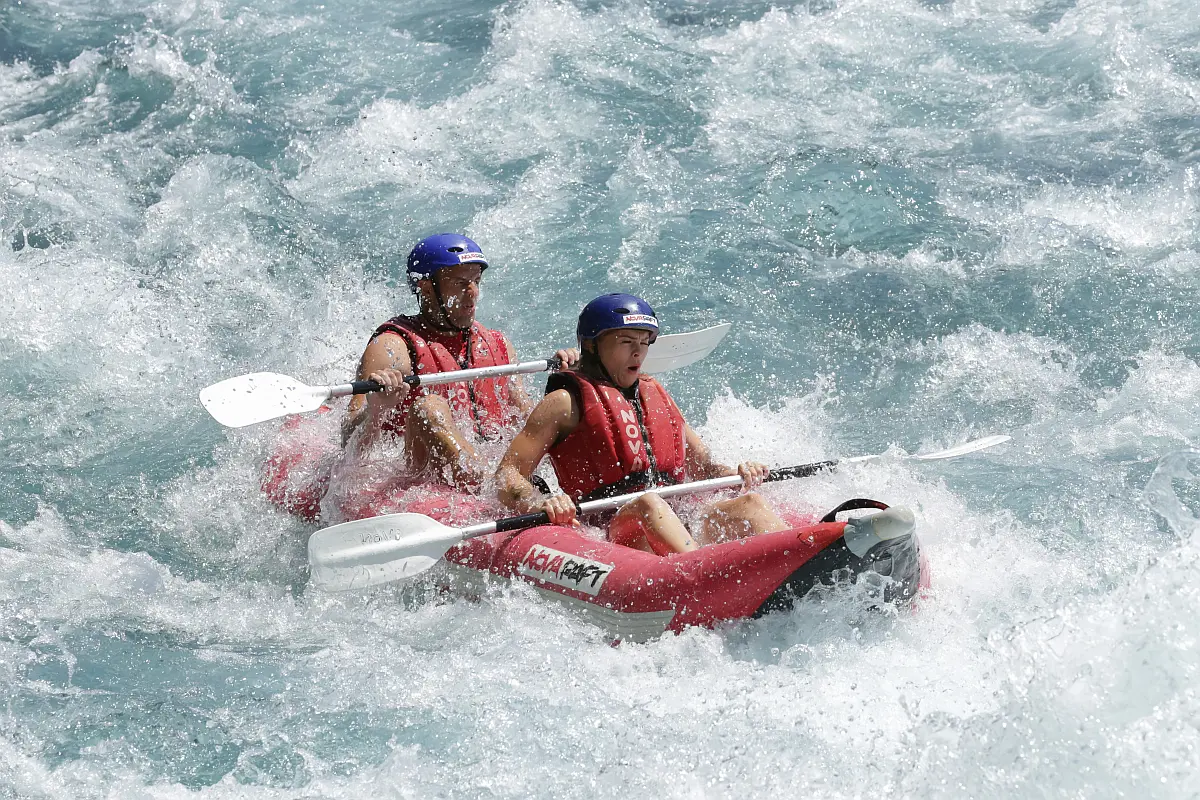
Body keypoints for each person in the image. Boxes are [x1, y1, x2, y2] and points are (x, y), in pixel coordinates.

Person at [495, 293, 786, 555]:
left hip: (676, 519)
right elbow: (507, 474)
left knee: (752, 505)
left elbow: (705, 468)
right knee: (650, 504)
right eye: (626, 342)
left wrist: (739, 472)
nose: (638, 352)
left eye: (644, 343)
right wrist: (540, 504)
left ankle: (797, 562)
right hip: (609, 529)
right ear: (592, 346)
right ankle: (698, 572)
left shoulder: (654, 394)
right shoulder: (563, 402)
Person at [340, 233, 577, 490]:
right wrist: (377, 408)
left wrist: (574, 382)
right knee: (428, 407)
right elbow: (348, 443)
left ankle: (504, 487)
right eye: (460, 283)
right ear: (426, 287)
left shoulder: (497, 344)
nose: (473, 293)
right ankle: (494, 489)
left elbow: (527, 419)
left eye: (476, 281)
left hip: (494, 470)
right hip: (419, 473)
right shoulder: (392, 346)